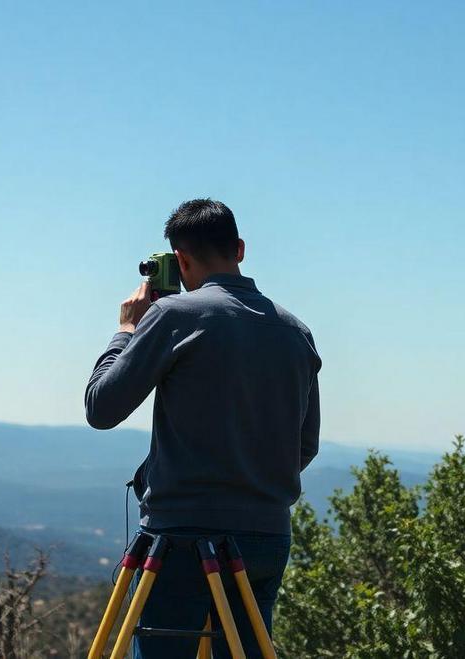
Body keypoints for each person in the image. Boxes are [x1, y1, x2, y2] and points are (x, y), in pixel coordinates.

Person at [85, 198, 321, 658]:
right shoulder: (297, 331)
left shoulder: (174, 316)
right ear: (241, 249)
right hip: (267, 537)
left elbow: (102, 407)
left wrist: (126, 331)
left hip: (181, 541)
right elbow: (304, 445)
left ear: (180, 260)